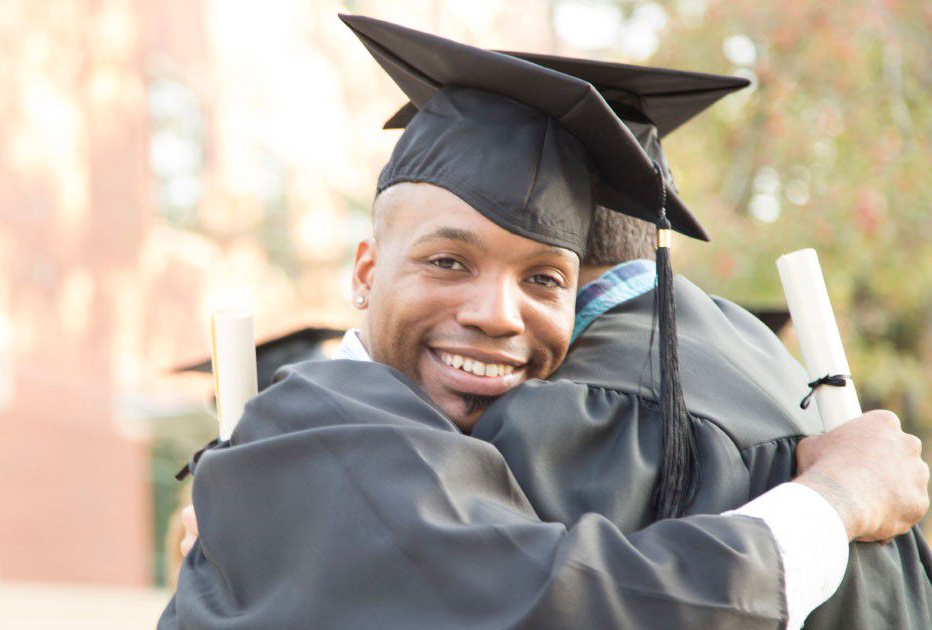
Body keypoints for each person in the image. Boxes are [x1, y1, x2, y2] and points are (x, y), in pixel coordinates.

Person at [158, 15, 929, 629]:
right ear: (366, 272)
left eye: (543, 279)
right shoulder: (315, 423)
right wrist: (837, 500)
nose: (498, 314)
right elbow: (576, 605)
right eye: (448, 262)